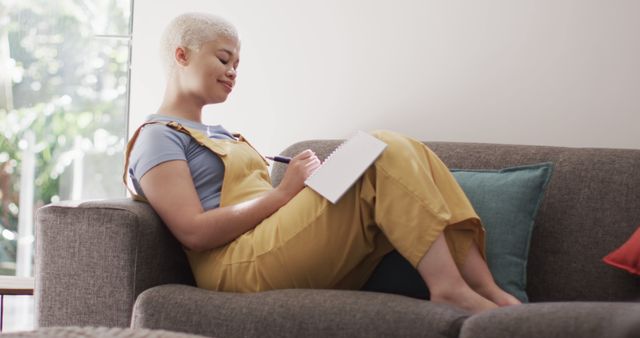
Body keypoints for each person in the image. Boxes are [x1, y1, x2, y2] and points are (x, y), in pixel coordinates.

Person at [125, 12, 521, 314]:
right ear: (182, 55)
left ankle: (486, 289)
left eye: (237, 65)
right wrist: (285, 193)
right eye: (224, 59)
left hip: (272, 243)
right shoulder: (158, 137)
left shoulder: (222, 134)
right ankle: (449, 288)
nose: (232, 72)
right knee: (381, 146)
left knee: (409, 150)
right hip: (235, 268)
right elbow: (193, 232)